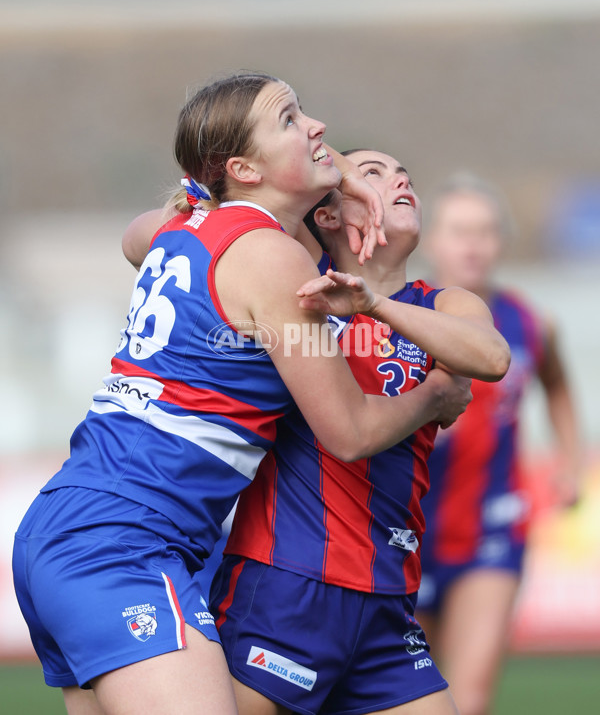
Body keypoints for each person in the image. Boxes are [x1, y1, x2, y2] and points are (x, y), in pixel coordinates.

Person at [11, 72, 472, 715]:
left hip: (72, 524)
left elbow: (138, 232)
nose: (316, 127)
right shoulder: (275, 260)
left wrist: (327, 170)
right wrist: (436, 398)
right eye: (290, 120)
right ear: (243, 168)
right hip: (125, 540)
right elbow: (352, 433)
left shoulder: (186, 227)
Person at [208, 150, 510, 715]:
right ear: (326, 216)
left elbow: (492, 357)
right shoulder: (295, 291)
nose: (400, 180)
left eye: (405, 176)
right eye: (371, 174)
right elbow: (146, 237)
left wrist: (374, 304)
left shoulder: (443, 304)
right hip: (286, 585)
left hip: (389, 596)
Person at [416, 172, 582, 715]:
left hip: (493, 526)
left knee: (469, 700)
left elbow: (557, 387)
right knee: (409, 697)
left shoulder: (531, 321)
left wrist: (570, 459)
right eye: (460, 230)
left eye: (486, 231)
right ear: (432, 239)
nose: (473, 244)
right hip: (406, 530)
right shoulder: (401, 316)